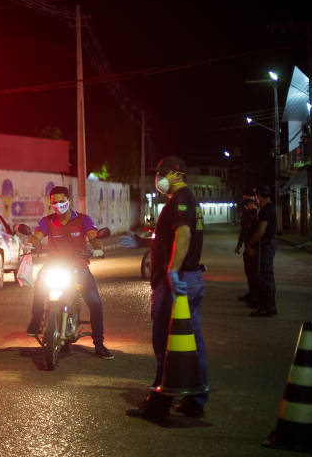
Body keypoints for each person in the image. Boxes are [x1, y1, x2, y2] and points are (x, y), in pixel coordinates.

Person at [127, 156, 207, 420]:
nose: (157, 179)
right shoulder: (187, 200)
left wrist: (172, 271)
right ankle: (195, 398)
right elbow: (168, 237)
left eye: (160, 173)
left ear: (175, 174)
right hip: (190, 277)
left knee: (164, 339)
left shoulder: (181, 200)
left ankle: (159, 402)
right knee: (191, 340)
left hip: (178, 280)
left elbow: (183, 234)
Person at [24, 186, 113, 359]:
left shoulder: (82, 219)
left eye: (61, 201)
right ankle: (36, 319)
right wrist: (29, 244)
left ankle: (99, 343)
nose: (58, 205)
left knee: (95, 302)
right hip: (54, 264)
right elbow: (37, 236)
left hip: (78, 265)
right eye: (54, 202)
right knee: (39, 283)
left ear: (69, 201)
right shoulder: (47, 221)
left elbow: (94, 237)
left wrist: (97, 249)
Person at [248, 185, 277, 317]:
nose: (257, 199)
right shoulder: (269, 208)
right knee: (265, 275)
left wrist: (250, 243)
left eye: (257, 197)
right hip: (267, 245)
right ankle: (267, 305)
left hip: (266, 246)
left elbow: (261, 231)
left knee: (265, 276)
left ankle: (268, 307)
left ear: (259, 197)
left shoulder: (267, 210)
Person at [235, 192, 259, 306]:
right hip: (247, 247)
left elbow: (258, 233)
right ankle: (251, 293)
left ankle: (255, 296)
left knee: (254, 273)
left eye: (250, 203)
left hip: (254, 249)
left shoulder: (257, 215)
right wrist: (239, 245)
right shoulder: (245, 215)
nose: (248, 206)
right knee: (249, 272)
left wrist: (250, 246)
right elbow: (243, 231)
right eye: (247, 204)